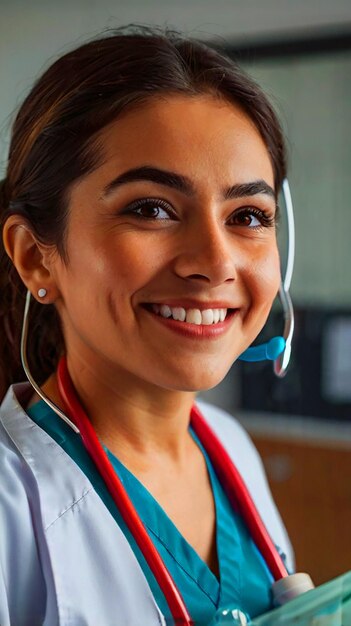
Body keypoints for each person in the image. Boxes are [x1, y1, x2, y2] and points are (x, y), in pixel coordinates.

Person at [0, 27, 294, 626]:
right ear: (36, 256)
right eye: (151, 209)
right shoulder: (10, 507)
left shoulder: (232, 450)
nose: (215, 263)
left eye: (248, 216)